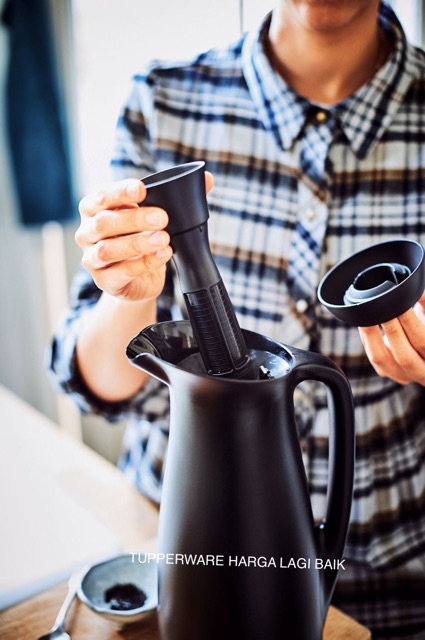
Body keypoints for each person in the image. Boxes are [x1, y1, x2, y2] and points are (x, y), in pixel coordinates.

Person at [48, 1, 425, 637]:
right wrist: (130, 291)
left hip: (385, 586)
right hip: (175, 558)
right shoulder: (163, 101)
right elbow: (98, 382)